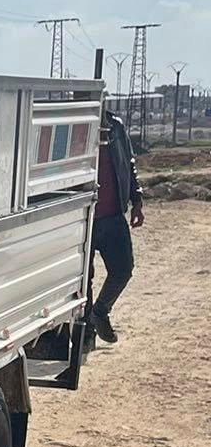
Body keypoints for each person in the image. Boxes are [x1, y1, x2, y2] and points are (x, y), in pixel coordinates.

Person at [91, 105, 145, 344]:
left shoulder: (116, 127)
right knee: (83, 280)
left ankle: (99, 312)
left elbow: (129, 164)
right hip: (84, 221)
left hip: (113, 217)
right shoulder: (75, 129)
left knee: (123, 270)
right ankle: (84, 334)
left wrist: (137, 199)